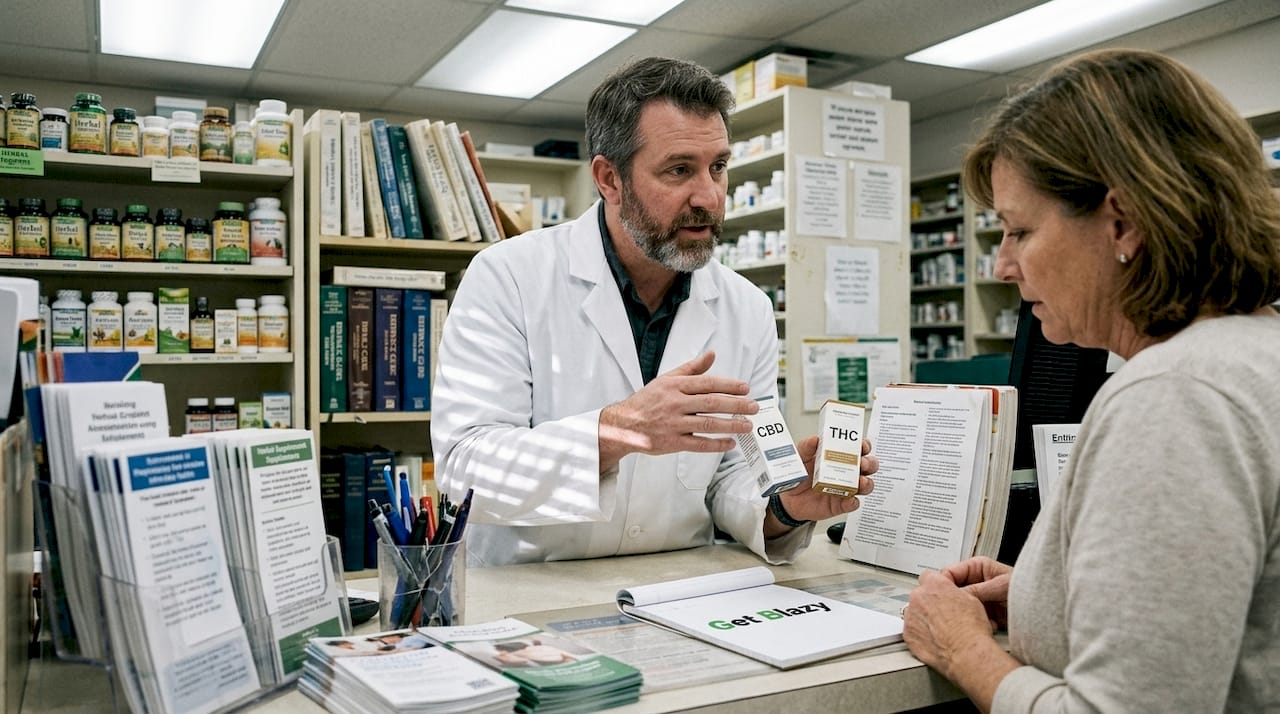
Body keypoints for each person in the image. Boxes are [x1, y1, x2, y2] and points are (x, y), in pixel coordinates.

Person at [901, 48, 1280, 712]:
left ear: (1123, 222)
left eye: (1019, 230)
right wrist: (1047, 592)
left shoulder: (1175, 396)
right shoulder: (1250, 349)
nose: (1003, 267)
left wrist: (966, 652)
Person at [429, 56, 877, 566]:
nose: (708, 196)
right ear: (609, 179)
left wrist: (786, 505)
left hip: (678, 591)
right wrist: (619, 430)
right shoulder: (507, 276)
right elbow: (464, 469)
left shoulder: (746, 308)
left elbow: (730, 475)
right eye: (679, 170)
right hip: (531, 590)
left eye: (718, 167)